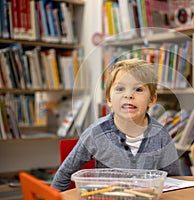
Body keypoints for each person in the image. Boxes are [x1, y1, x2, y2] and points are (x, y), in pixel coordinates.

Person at [51, 58, 180, 191]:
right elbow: (64, 174)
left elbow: (175, 180)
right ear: (109, 99)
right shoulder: (96, 133)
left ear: (152, 99)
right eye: (120, 89)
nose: (129, 95)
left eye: (138, 89)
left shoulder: (161, 136)